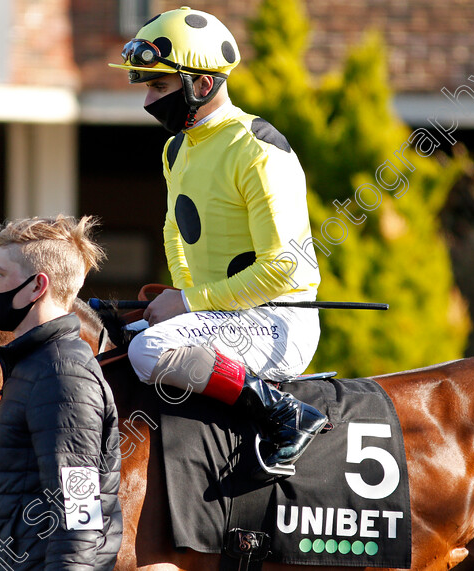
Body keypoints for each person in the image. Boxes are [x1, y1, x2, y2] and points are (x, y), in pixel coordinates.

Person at [109, 7, 327, 477]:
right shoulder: (177, 148)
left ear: (202, 85)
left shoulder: (258, 149)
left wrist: (188, 303)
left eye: (159, 87)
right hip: (220, 317)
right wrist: (184, 298)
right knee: (115, 342)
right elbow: (176, 234)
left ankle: (286, 415)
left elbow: (282, 269)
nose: (148, 100)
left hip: (277, 322)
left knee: (149, 351)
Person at [0, 215, 122, 570]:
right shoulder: (33, 365)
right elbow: (29, 479)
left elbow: (79, 516)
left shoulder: (63, 376)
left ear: (37, 286)